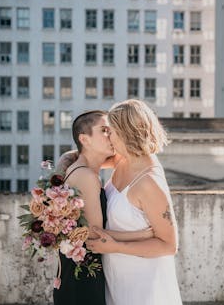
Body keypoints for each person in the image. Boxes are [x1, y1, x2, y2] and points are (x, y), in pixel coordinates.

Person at [86, 99, 182, 305]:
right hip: (117, 279)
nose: (108, 136)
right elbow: (85, 159)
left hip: (144, 286)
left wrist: (116, 245)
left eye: (110, 131)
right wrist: (62, 166)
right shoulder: (122, 159)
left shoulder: (149, 182)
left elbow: (169, 245)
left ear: (126, 133)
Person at [54, 110, 153, 305]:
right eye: (104, 130)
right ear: (85, 139)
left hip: (80, 269)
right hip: (82, 276)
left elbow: (124, 156)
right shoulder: (86, 177)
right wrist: (142, 235)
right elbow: (94, 235)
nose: (111, 135)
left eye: (112, 130)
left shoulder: (81, 168)